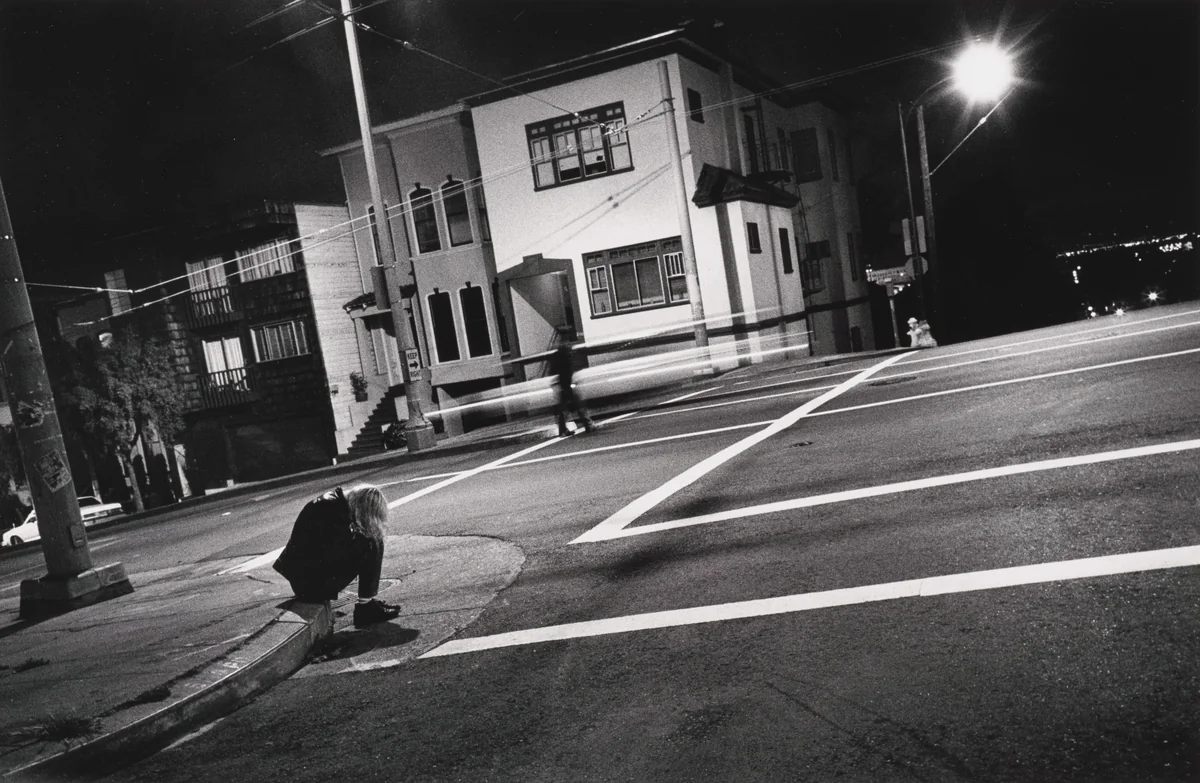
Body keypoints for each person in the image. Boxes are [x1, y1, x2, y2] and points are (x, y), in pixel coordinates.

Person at [272, 484, 401, 628]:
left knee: (370, 536)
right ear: (363, 508)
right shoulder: (332, 513)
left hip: (304, 579)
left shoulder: (334, 503)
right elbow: (335, 553)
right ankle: (366, 607)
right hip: (310, 587)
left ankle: (367, 602)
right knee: (373, 540)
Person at [548, 340, 595, 437]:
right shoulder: (566, 357)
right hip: (566, 385)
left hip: (561, 385)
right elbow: (568, 372)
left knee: (563, 410)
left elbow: (553, 371)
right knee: (578, 406)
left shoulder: (556, 357)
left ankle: (563, 430)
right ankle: (588, 425)